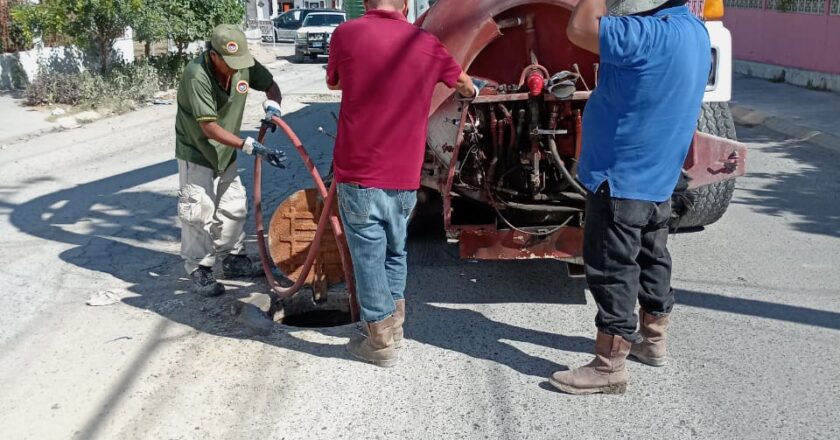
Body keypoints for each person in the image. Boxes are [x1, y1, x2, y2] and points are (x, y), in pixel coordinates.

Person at [549, 0, 711, 394]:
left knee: (611, 268)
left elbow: (579, 28)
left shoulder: (641, 35)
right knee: (653, 254)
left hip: (621, 174)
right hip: (661, 174)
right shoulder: (694, 31)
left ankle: (608, 366)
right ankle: (653, 341)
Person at [325, 0, 479, 367]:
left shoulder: (346, 34)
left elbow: (334, 83)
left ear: (366, 4)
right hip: (405, 175)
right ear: (406, 6)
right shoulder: (425, 43)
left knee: (369, 259)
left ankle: (379, 342)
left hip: (359, 172)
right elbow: (465, 86)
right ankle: (395, 328)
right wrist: (471, 91)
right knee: (396, 252)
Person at [176, 24, 287, 297]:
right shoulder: (196, 74)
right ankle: (199, 268)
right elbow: (209, 127)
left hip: (226, 152)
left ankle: (233, 259)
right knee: (198, 211)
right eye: (230, 63)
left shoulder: (244, 65)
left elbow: (270, 85)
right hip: (198, 151)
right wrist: (248, 144)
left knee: (234, 206)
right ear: (214, 55)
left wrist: (273, 108)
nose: (237, 69)